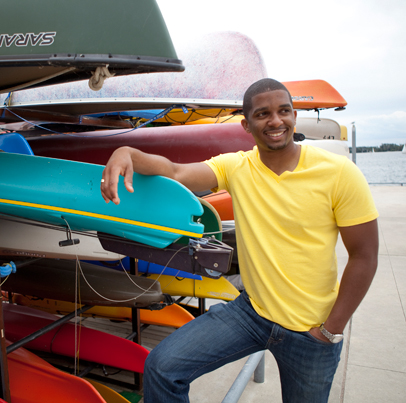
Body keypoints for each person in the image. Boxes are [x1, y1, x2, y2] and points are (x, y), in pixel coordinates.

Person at [100, 78, 378, 402]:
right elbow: (175, 172)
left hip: (312, 330)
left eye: (283, 111)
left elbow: (364, 256)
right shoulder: (237, 166)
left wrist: (330, 330)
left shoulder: (339, 173)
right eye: (263, 114)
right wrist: (126, 152)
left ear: (294, 116)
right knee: (162, 367)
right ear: (246, 124)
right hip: (252, 314)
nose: (276, 121)